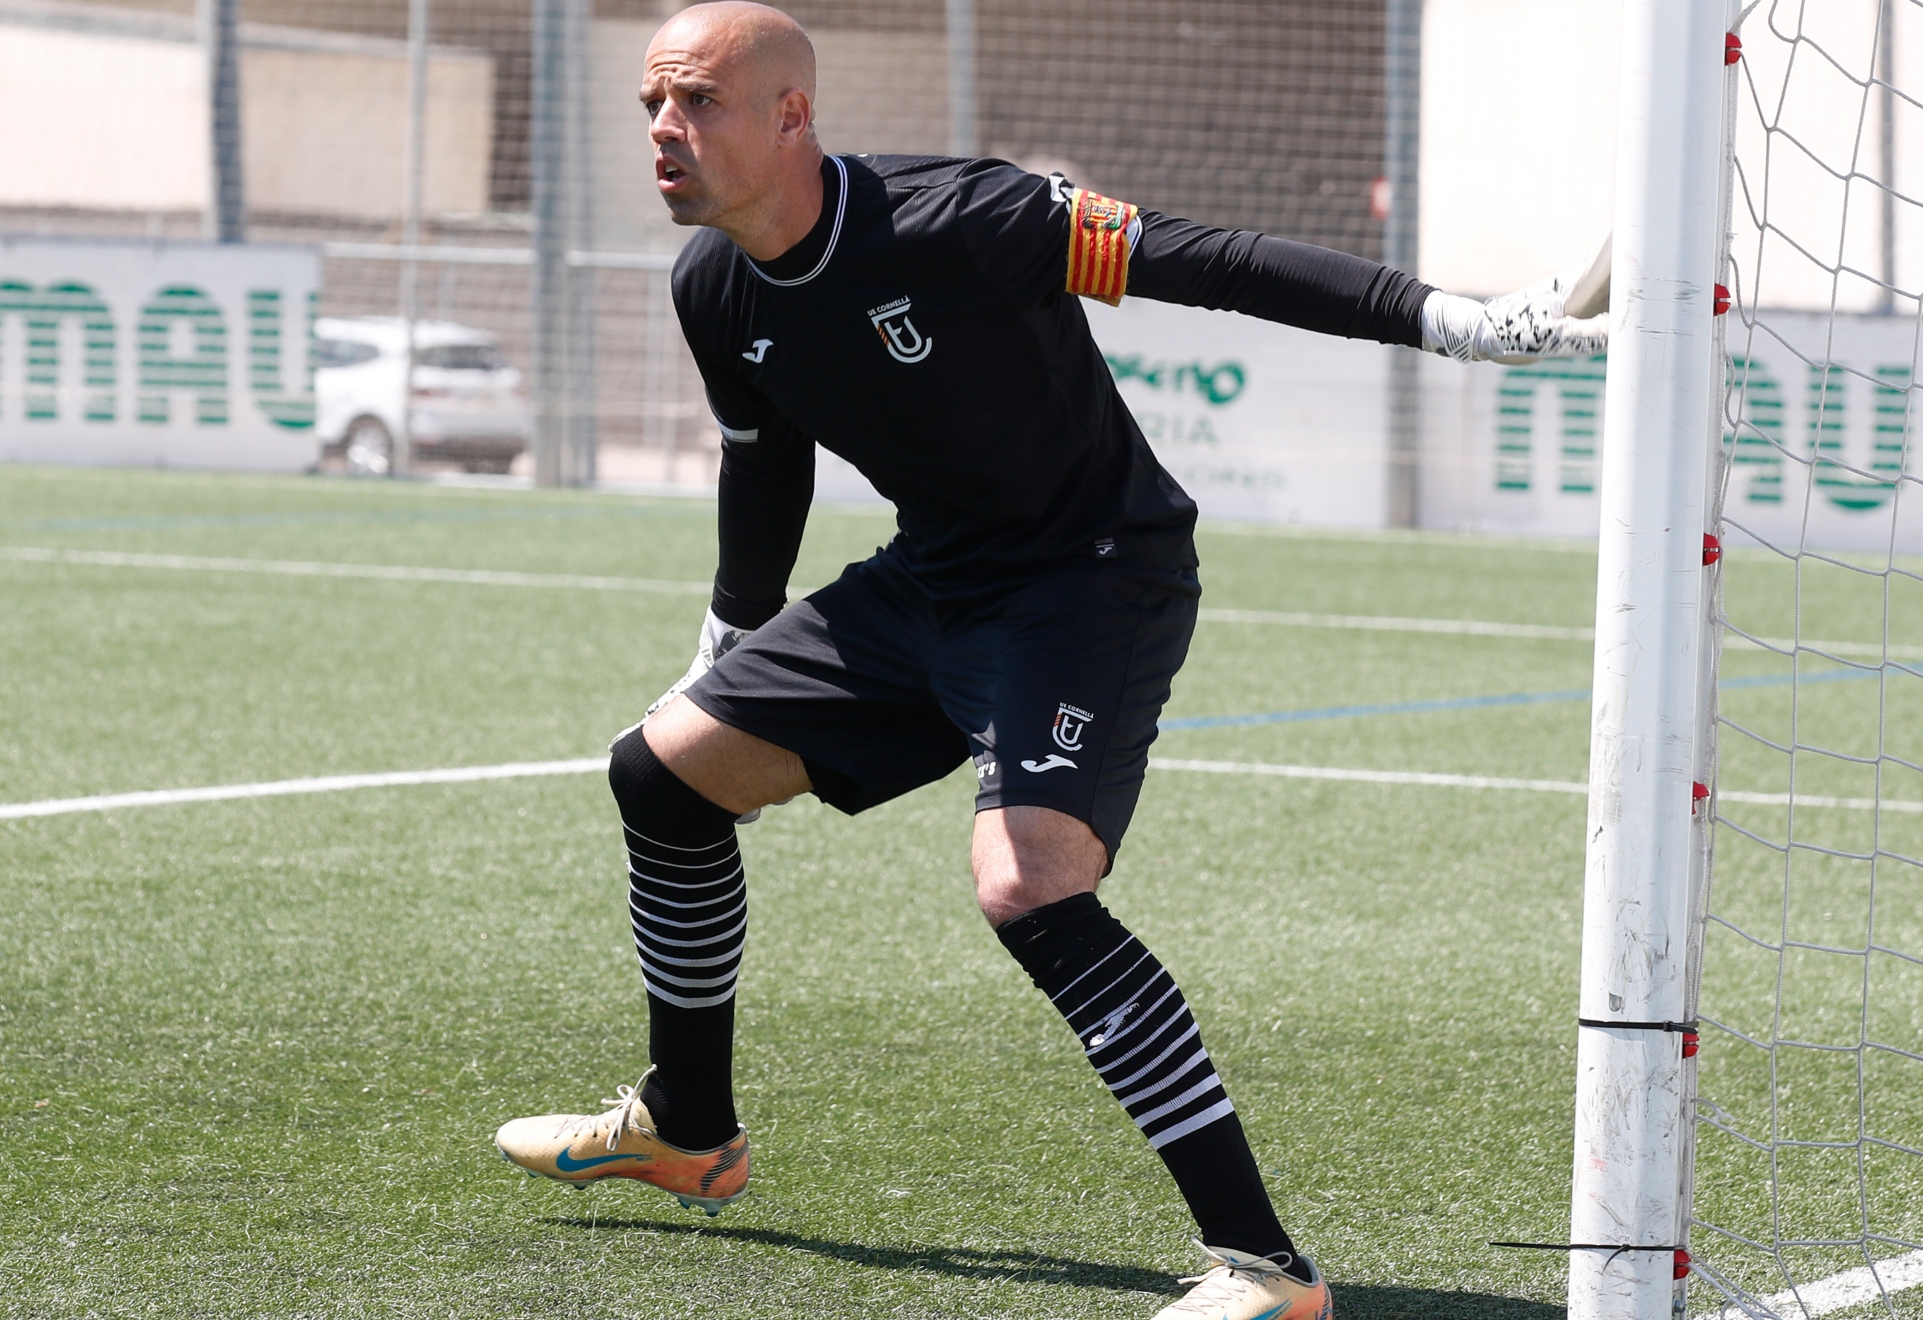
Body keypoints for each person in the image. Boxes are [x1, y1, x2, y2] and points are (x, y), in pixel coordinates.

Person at [492, 5, 1606, 1317]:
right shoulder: (713, 285)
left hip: (1093, 575)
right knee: (664, 775)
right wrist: (730, 640)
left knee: (1028, 885)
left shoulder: (969, 216)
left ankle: (1264, 1269)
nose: (663, 134)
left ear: (793, 115)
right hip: (935, 578)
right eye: (651, 109)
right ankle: (687, 1128)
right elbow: (763, 457)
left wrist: (1457, 323)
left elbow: (1221, 261)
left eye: (696, 104)